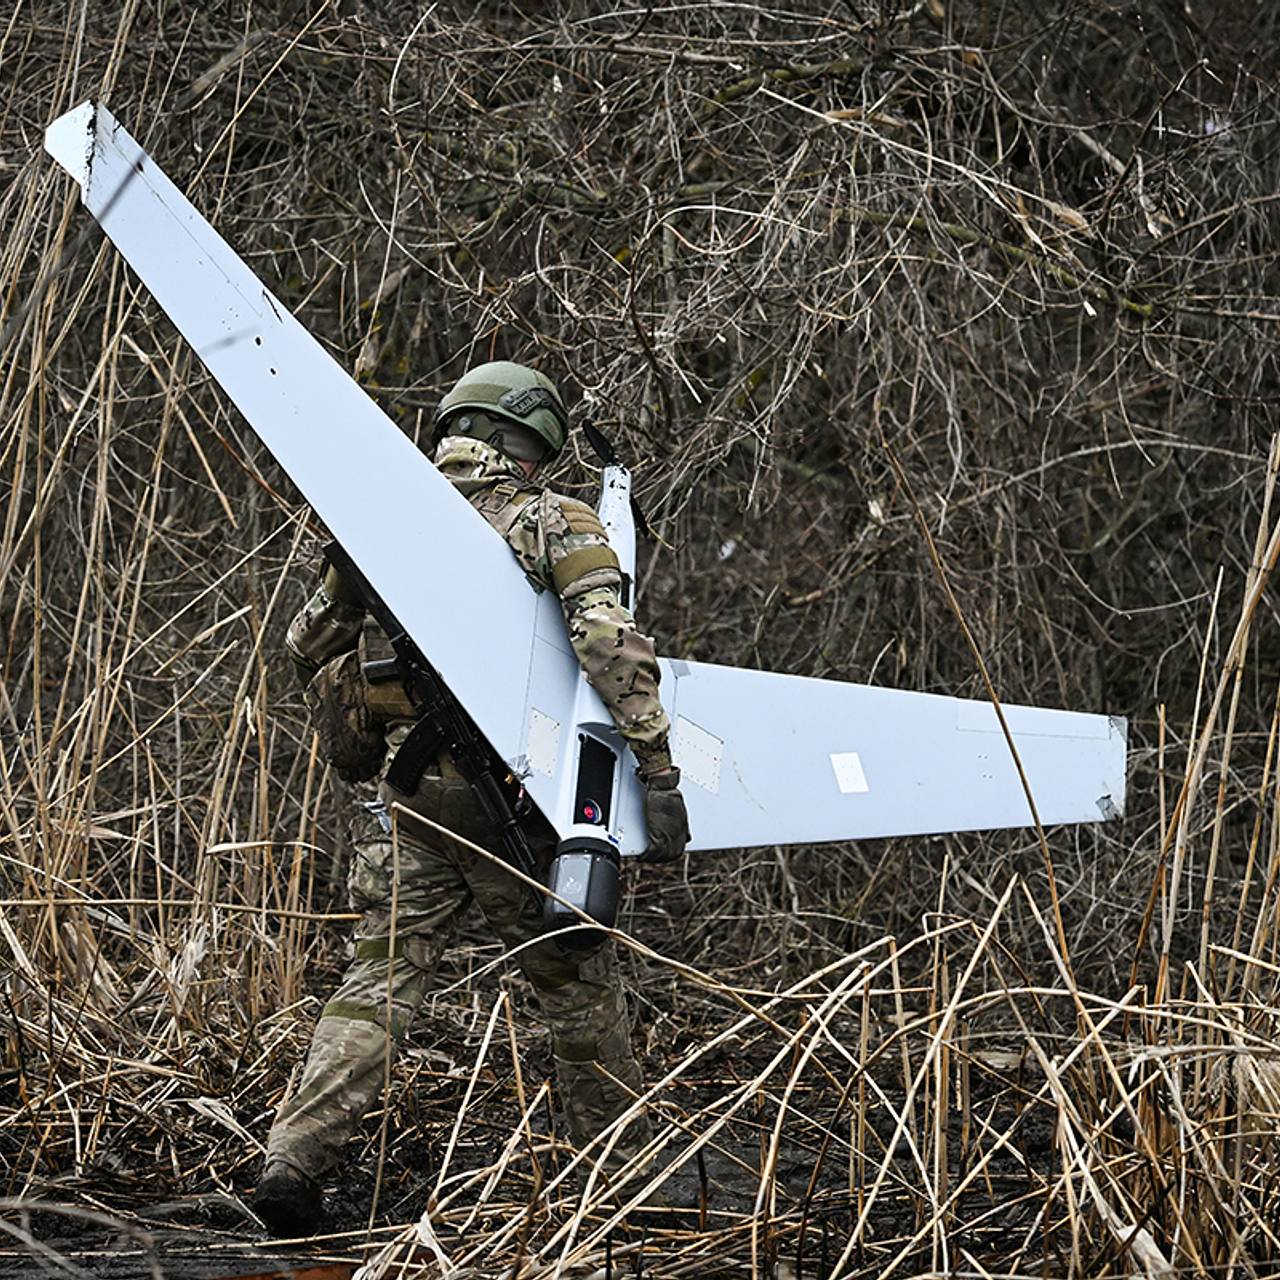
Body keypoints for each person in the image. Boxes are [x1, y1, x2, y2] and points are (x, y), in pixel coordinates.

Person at [254, 362, 691, 1235]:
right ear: (531, 443)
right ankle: (618, 1184)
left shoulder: (384, 516)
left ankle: (291, 1165)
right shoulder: (552, 520)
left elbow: (307, 645)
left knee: (378, 980)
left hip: (410, 796)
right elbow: (607, 641)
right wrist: (658, 770)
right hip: (509, 803)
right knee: (576, 983)